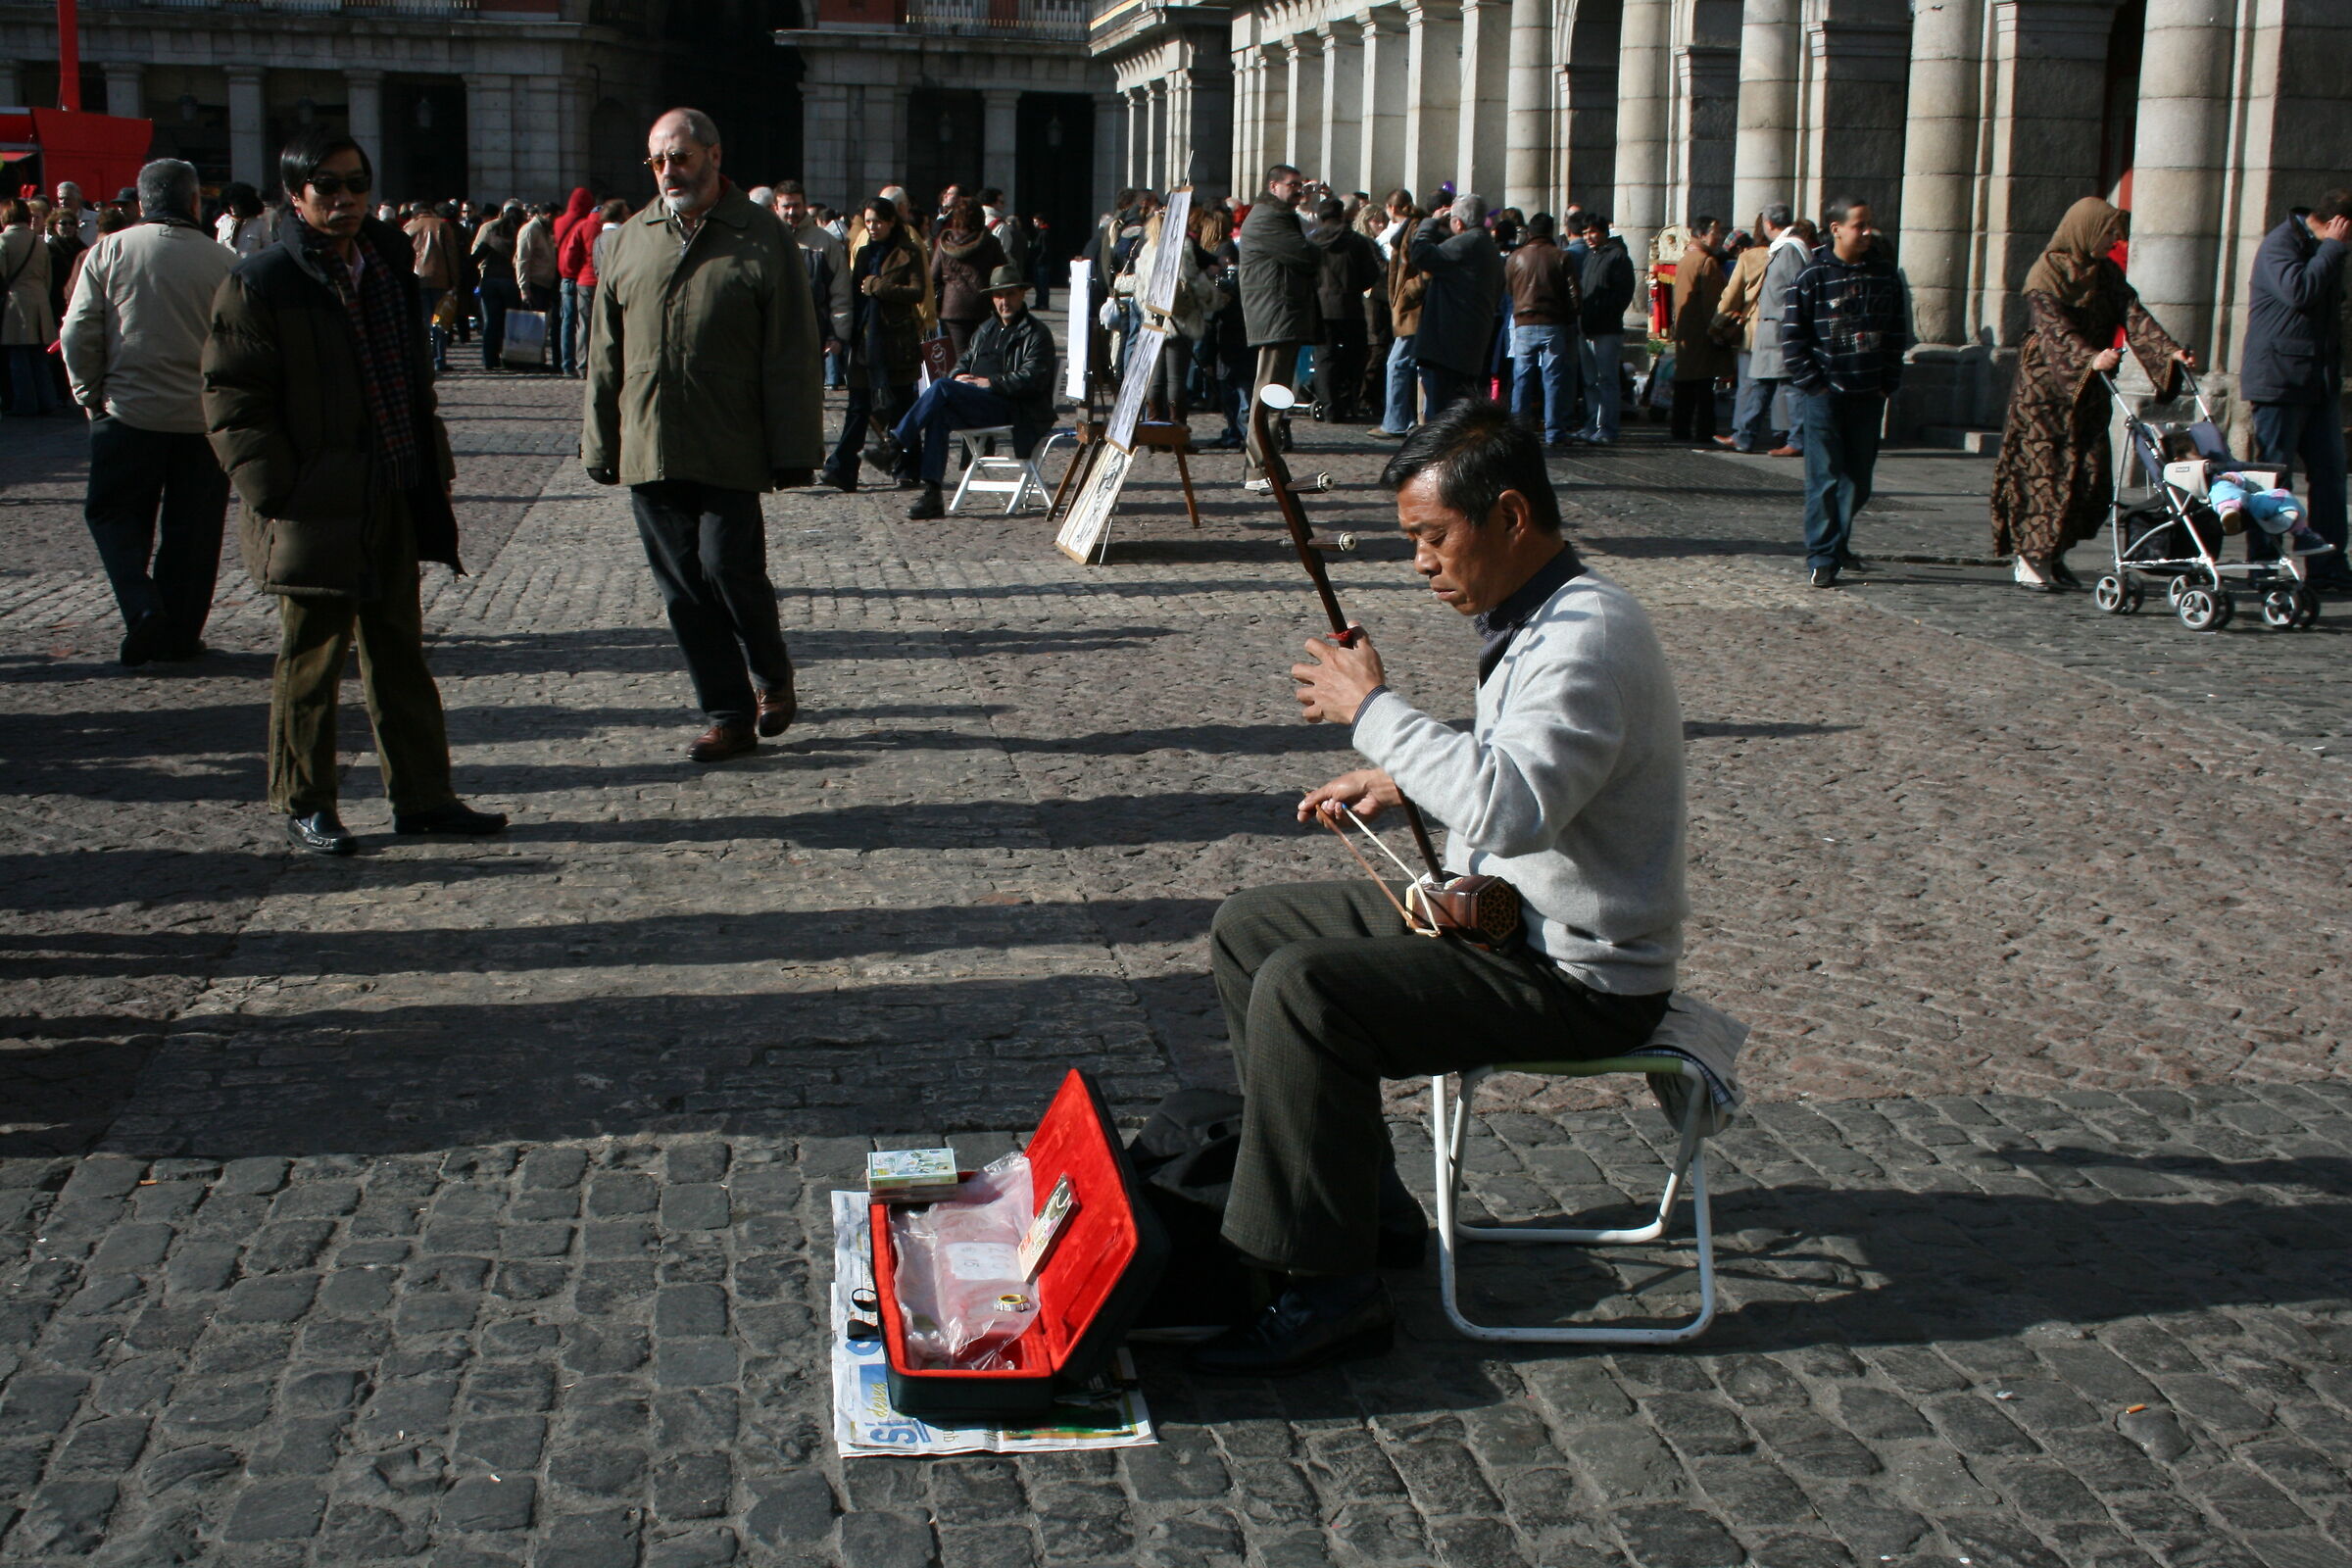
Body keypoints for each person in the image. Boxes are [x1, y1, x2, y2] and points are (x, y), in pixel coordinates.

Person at [1195, 399, 1686, 1375]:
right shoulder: (1543, 613)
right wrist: (1399, 777)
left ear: (1509, 516)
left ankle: (1325, 1290)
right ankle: (1359, 1211)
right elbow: (1520, 772)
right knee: (1254, 929)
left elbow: (1510, 809)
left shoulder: (1582, 639)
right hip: (1510, 928)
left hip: (1578, 978)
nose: (1419, 561)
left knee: (1306, 989)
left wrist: (1374, 714)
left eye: (1431, 537)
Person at [204, 127, 507, 855]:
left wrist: (428, 462)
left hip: (395, 486)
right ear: (295, 196)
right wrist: (281, 489)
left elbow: (410, 378)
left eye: (355, 185)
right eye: (327, 188)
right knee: (311, 659)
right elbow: (231, 401)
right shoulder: (262, 281)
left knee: (399, 652)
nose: (344, 200)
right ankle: (307, 800)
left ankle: (423, 797)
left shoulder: (387, 264)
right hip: (315, 501)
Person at [583, 107, 823, 762]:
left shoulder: (761, 236)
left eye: (680, 157)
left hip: (731, 438)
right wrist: (600, 443)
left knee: (727, 566)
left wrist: (796, 447)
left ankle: (772, 673)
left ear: (714, 157)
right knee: (684, 590)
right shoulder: (630, 239)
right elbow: (604, 349)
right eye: (656, 161)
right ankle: (728, 714)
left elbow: (792, 350)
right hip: (650, 440)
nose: (667, 172)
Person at [61, 158, 235, 666]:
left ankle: (141, 610)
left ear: (141, 203)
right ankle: (180, 631)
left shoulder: (109, 250)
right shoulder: (222, 260)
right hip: (202, 418)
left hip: (127, 411)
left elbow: (78, 330)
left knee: (115, 516)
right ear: (194, 202)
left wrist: (87, 392)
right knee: (194, 531)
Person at [1990, 197, 2192, 591]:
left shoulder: (2105, 274)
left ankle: (2056, 551)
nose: (2113, 241)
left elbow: (2133, 313)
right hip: (2046, 391)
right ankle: (2031, 559)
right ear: (2086, 231)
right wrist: (2087, 358)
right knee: (2043, 473)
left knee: (2087, 472)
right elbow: (2053, 329)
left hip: (2090, 388)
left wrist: (2170, 352)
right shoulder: (2046, 272)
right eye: (2107, 233)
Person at [1781, 197, 1913, 588]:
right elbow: (1792, 338)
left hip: (1868, 391)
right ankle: (1822, 555)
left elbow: (1895, 332)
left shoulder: (1885, 275)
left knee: (1858, 479)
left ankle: (1838, 543)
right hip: (1825, 394)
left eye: (1869, 223)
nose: (1868, 231)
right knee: (1823, 478)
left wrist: (1889, 380)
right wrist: (1813, 384)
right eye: (1859, 225)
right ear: (1836, 228)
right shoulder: (1813, 276)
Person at [2239, 189, 2351, 589]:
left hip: (2316, 382)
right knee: (2272, 476)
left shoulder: (2325, 248)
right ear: (2339, 224)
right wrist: (2333, 251)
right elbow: (2298, 291)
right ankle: (2264, 565)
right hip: (2278, 380)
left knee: (2331, 475)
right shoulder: (2281, 244)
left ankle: (2328, 566)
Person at [888, 265, 1056, 518]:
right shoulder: (987, 328)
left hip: (1013, 406)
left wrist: (991, 382)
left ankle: (895, 444)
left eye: (1010, 294)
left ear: (1022, 294)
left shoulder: (1036, 333)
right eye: (999, 295)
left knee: (941, 388)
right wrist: (959, 375)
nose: (1004, 301)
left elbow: (1032, 379)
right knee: (939, 411)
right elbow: (964, 361)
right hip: (978, 401)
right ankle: (933, 492)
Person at [821, 196, 925, 493]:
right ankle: (842, 469)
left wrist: (881, 287)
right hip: (866, 341)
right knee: (858, 408)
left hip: (897, 342)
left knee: (903, 407)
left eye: (878, 221)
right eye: (868, 222)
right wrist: (843, 335)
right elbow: (855, 296)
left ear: (891, 222)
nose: (873, 227)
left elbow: (917, 291)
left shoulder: (909, 252)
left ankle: (908, 468)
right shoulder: (864, 253)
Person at [1240, 165, 1319, 485]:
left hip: (1281, 312)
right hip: (1276, 313)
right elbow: (1307, 256)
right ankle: (1259, 469)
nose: (1299, 190)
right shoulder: (1267, 218)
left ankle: (1265, 465)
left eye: (1301, 185)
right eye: (1293, 185)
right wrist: (1317, 222)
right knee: (1270, 393)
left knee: (1277, 392)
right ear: (1274, 186)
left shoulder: (1276, 217)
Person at [1408, 193, 1504, 416]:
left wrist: (1430, 222)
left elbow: (1420, 253)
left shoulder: (1466, 243)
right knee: (1459, 408)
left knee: (1444, 410)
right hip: (1472, 339)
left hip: (1450, 342)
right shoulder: (1488, 247)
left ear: (1458, 223)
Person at [1504, 213, 1582, 445]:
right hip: (1552, 322)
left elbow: (1509, 288)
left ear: (1529, 232)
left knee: (1522, 377)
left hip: (1524, 322)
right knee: (1553, 379)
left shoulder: (1516, 257)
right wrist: (1570, 317)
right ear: (1550, 231)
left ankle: (1518, 430)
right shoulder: (1561, 256)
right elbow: (1574, 294)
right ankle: (1554, 431)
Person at [1310, 196, 1381, 422]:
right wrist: (1354, 287)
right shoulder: (1358, 242)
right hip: (1350, 305)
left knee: (1324, 357)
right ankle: (1348, 401)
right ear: (1342, 215)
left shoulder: (1311, 243)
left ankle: (1330, 407)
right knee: (1355, 355)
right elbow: (1371, 274)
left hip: (1320, 307)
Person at [776, 181, 851, 384]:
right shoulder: (765, 240)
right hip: (772, 334)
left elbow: (840, 292)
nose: (792, 211)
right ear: (776, 207)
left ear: (804, 205)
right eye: (786, 206)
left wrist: (838, 335)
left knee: (807, 402)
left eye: (796, 205)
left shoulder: (825, 243)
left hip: (812, 333)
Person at [1668, 218, 1732, 445]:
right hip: (1702, 331)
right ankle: (1705, 430)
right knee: (1704, 385)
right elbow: (1713, 302)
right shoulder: (1706, 262)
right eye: (1716, 232)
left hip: (1687, 330)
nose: (1719, 237)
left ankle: (1680, 427)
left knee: (1685, 382)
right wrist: (1717, 330)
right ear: (1702, 235)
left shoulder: (1685, 259)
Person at [1575, 215, 1634, 445]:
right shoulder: (1591, 256)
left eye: (1593, 232)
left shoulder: (1617, 257)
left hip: (1606, 329)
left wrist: (1601, 313)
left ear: (1603, 232)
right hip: (1586, 327)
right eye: (1585, 233)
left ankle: (1608, 428)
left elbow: (1622, 296)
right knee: (1590, 381)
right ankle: (1592, 424)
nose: (1588, 237)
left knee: (1606, 379)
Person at [931, 198, 1008, 361]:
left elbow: (933, 277)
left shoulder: (945, 243)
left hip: (952, 308)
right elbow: (1003, 274)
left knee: (959, 357)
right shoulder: (991, 243)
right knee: (982, 355)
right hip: (982, 305)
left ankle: (959, 382)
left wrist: (939, 304)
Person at [1374, 191, 1425, 438]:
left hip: (1411, 307)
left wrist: (1409, 291)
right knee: (1405, 364)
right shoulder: (1408, 227)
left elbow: (1421, 267)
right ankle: (1403, 419)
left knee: (1397, 364)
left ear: (1392, 207)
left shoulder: (1415, 228)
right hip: (1407, 306)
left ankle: (1395, 421)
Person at [2, 199, 57, 417]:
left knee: (18, 359)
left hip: (16, 302)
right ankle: (47, 401)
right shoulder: (39, 242)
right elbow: (48, 277)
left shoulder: (3, 241)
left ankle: (25, 404)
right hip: (40, 300)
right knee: (39, 359)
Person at [406, 199, 462, 372]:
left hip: (417, 279)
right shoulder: (442, 226)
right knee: (439, 321)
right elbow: (451, 255)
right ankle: (439, 359)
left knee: (422, 321)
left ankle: (424, 359)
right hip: (440, 278)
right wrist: (455, 280)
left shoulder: (409, 227)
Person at [470, 202, 524, 368]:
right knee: (511, 322)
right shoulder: (519, 234)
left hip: (490, 281)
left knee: (491, 323)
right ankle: (510, 358)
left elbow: (476, 257)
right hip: (510, 281)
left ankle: (489, 359)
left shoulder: (493, 232)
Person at [551, 186, 596, 376]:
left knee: (567, 322)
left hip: (565, 276)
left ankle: (566, 362)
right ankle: (584, 362)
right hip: (582, 276)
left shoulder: (559, 221)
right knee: (584, 323)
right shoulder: (587, 224)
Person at [514, 201, 559, 314]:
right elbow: (522, 260)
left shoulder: (545, 230)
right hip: (534, 285)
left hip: (545, 284)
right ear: (549, 216)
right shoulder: (530, 230)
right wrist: (524, 289)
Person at [216, 183, 270, 258]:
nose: (232, 208)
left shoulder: (259, 225)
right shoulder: (224, 224)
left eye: (236, 204)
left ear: (245, 204)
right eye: (230, 205)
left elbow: (268, 250)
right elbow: (219, 250)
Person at [54, 182, 98, 248]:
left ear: (78, 199)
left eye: (67, 199)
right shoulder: (53, 220)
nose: (63, 202)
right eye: (60, 199)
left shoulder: (96, 219)